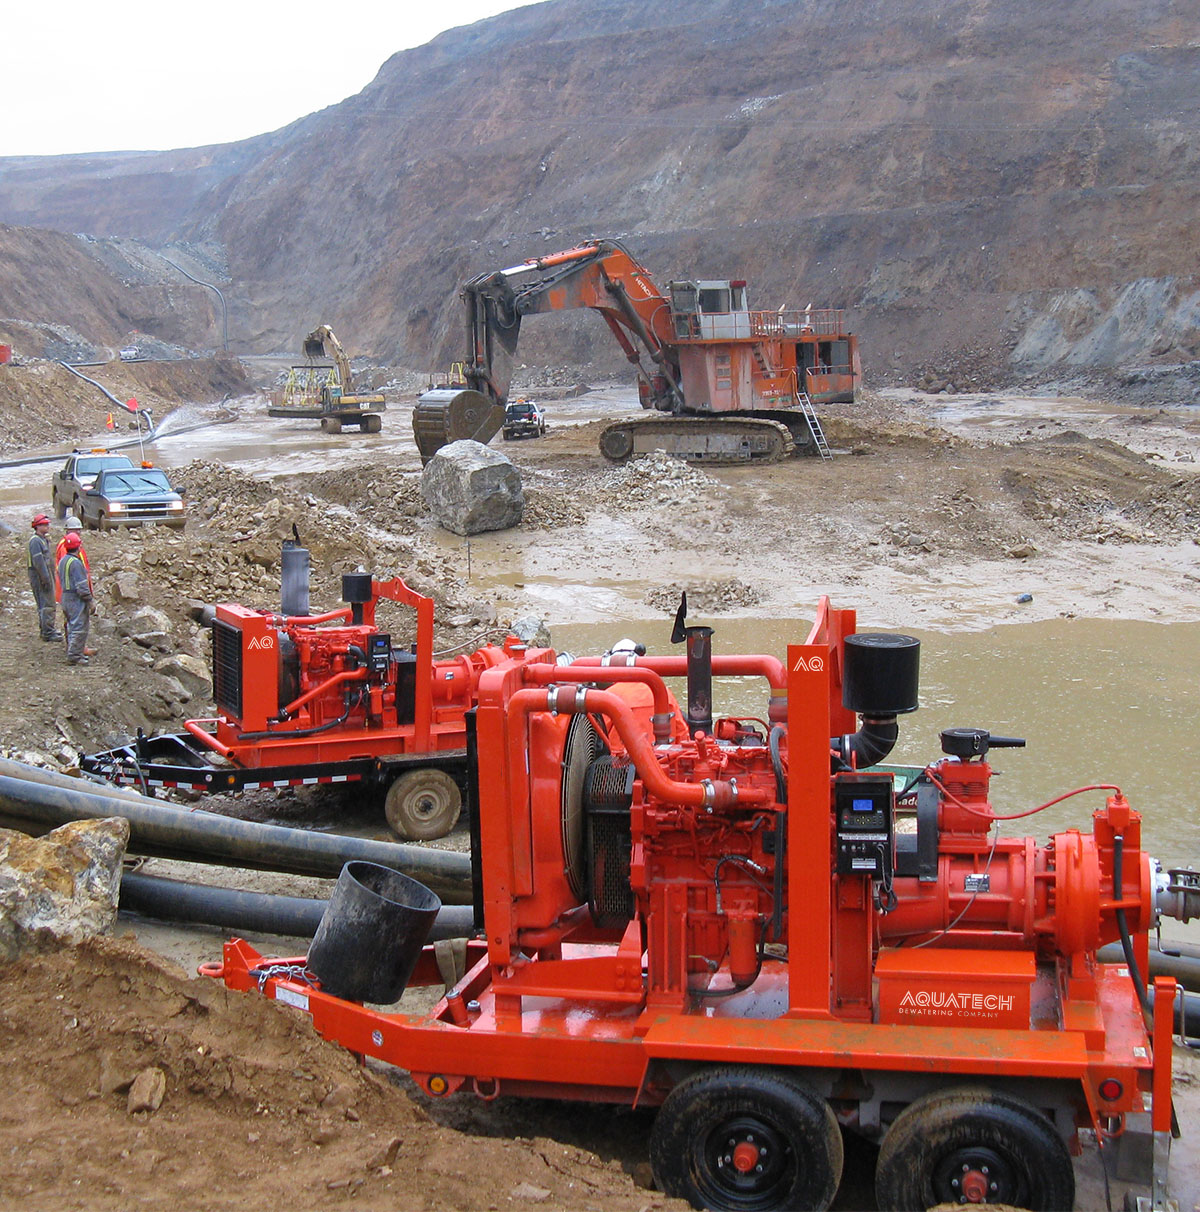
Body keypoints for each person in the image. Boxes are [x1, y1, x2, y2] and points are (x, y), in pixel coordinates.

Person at [55, 516, 96, 656]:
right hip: (73, 593)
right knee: (77, 624)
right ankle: (75, 651)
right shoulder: (67, 550)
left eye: (79, 530)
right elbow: (77, 579)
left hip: (69, 592)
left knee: (73, 622)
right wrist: (89, 599)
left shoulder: (68, 553)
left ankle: (75, 649)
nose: (78, 532)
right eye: (75, 530)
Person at [26, 514, 62, 642]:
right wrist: (45, 579)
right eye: (44, 525)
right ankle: (48, 632)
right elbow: (39, 563)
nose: (47, 526)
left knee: (47, 603)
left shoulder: (42, 540)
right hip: (40, 576)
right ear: (37, 526)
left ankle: (46, 630)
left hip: (44, 575)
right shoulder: (35, 541)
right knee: (47, 604)